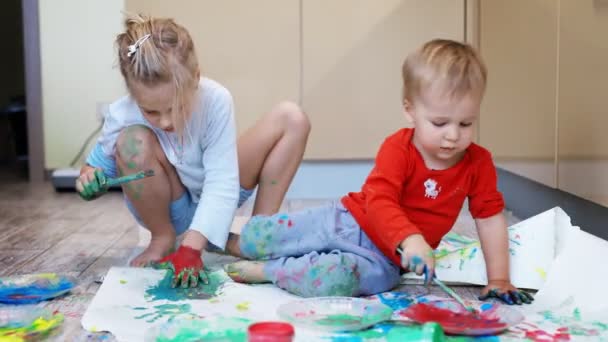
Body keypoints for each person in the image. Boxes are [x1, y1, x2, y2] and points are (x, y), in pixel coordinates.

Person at [224, 39, 533, 305]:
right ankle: (234, 243)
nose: (453, 135)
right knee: (271, 234)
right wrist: (410, 238)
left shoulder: (478, 163)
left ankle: (271, 271)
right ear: (410, 110)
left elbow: (490, 219)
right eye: (440, 123)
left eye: (466, 123)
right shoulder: (398, 148)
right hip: (348, 221)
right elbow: (380, 200)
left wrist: (500, 278)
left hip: (385, 260)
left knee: (342, 279)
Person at [76, 14, 310, 288]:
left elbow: (222, 181)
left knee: (292, 118)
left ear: (196, 78)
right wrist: (89, 182)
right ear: (132, 94)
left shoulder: (216, 99)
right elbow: (93, 170)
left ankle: (257, 236)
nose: (166, 121)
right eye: (150, 111)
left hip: (216, 194)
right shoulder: (122, 113)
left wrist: (192, 248)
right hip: (171, 208)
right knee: (133, 141)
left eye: (176, 107)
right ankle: (164, 239)